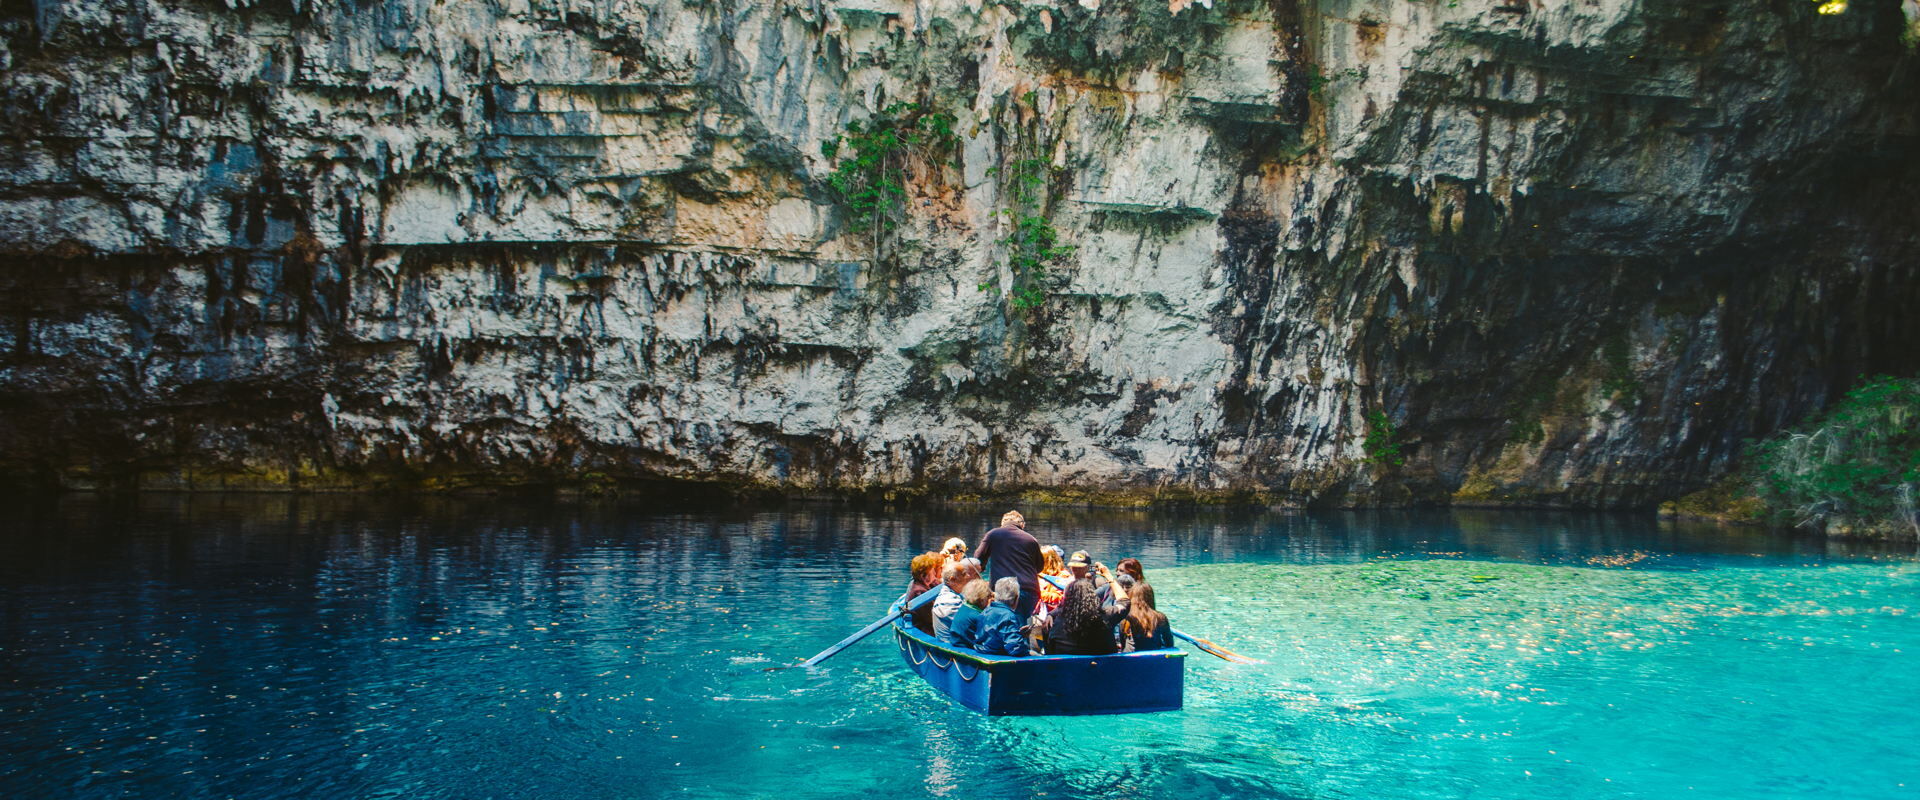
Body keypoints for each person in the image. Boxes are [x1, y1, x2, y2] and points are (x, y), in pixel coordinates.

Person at [973, 510, 1042, 619]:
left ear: (1002, 523)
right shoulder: (1031, 539)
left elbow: (977, 560)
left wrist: (981, 570)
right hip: (1029, 590)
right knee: (1021, 623)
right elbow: (1039, 567)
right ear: (1022, 524)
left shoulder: (993, 534)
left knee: (1003, 623)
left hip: (1004, 589)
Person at [1046, 578, 1130, 656]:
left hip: (1068, 670)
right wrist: (1109, 577)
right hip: (1103, 669)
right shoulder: (1106, 616)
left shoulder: (1056, 623)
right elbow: (1125, 602)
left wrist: (1050, 614)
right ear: (1093, 597)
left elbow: (1050, 654)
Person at [973, 578, 1030, 657]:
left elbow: (993, 636)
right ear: (1016, 598)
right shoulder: (1008, 616)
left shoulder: (986, 611)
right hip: (998, 659)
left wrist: (1019, 634)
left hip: (983, 653)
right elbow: (1015, 649)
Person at [931, 559, 981, 639]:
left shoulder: (955, 593)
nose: (968, 576)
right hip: (950, 648)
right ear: (952, 580)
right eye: (964, 574)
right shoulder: (948, 601)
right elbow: (971, 624)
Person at [1119, 582, 1172, 652]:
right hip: (1154, 658)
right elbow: (1169, 643)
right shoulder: (1160, 617)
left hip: (1131, 659)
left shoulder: (1126, 617)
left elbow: (1123, 643)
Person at [941, 579, 992, 649]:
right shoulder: (978, 617)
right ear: (982, 599)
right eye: (988, 596)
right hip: (967, 652)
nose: (991, 598)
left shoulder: (964, 606)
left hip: (957, 645)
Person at [905, 552, 944, 635]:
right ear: (923, 576)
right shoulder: (919, 592)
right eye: (932, 571)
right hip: (925, 629)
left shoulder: (923, 583)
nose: (934, 573)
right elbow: (931, 618)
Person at [1037, 545, 1069, 613]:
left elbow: (1060, 598)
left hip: (1055, 614)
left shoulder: (1063, 575)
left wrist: (1038, 593)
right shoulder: (1038, 574)